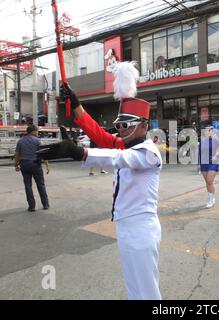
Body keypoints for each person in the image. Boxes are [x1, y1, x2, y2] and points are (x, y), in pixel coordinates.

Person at [37, 62, 163, 300]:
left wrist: (80, 153)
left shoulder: (149, 151)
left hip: (140, 228)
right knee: (134, 290)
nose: (120, 131)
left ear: (144, 126)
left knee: (147, 293)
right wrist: (76, 106)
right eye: (118, 126)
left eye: (125, 126)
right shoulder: (125, 144)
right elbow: (98, 134)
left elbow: (120, 159)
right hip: (126, 227)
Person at [14, 124, 50, 212]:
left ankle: (32, 206)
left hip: (24, 165)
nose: (38, 132)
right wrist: (47, 165)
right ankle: (45, 204)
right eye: (37, 131)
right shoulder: (38, 141)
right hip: (35, 165)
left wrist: (16, 165)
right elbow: (43, 154)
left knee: (28, 186)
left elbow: (17, 154)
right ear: (33, 131)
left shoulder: (20, 141)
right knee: (40, 185)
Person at [199, 126, 219, 208]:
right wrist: (199, 164)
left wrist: (217, 156)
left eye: (209, 130)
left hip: (213, 162)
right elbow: (199, 152)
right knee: (208, 182)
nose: (207, 131)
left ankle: (210, 200)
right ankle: (211, 198)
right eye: (206, 130)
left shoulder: (215, 140)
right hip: (204, 163)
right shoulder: (202, 140)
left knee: (209, 180)